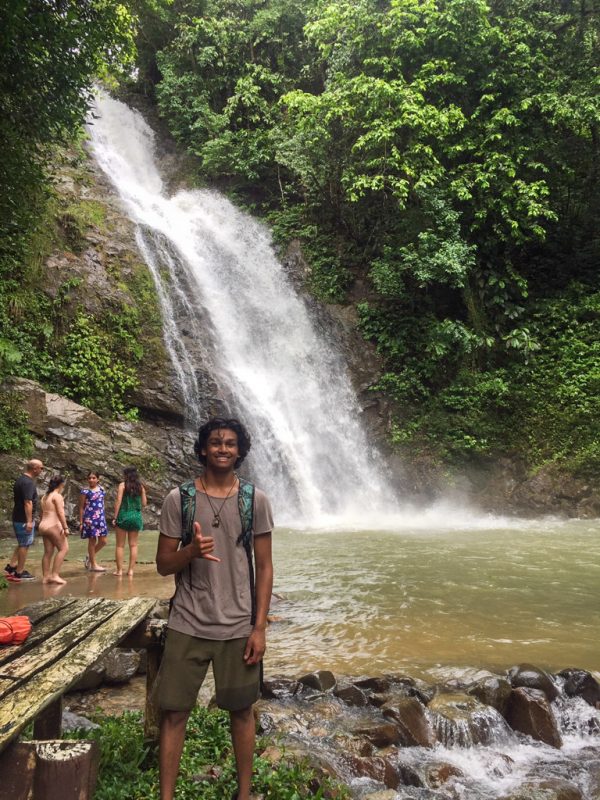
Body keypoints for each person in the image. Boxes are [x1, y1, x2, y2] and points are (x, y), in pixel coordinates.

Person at [156, 417, 274, 800]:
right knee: (174, 713)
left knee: (241, 711)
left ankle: (243, 794)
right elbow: (162, 564)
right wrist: (190, 551)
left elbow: (265, 566)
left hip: (239, 625)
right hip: (187, 622)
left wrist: (259, 628)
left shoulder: (254, 500)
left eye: (230, 443)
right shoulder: (180, 499)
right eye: (216, 442)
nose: (223, 448)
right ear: (203, 448)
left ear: (240, 451)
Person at [5, 458, 44, 582]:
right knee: (24, 545)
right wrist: (29, 521)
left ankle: (12, 566)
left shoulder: (21, 480)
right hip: (23, 519)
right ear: (35, 469)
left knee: (22, 543)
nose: (42, 470)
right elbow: (28, 502)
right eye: (41, 468)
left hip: (18, 517)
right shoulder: (28, 483)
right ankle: (19, 572)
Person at [112, 465, 147, 576]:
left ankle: (119, 571)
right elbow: (144, 503)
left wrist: (115, 517)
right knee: (133, 545)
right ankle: (131, 571)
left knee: (120, 545)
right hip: (136, 517)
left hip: (124, 516)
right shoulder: (140, 487)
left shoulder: (122, 485)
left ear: (126, 475)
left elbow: (118, 501)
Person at [38, 474, 70, 585]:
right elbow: (60, 513)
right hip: (52, 525)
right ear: (61, 484)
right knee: (64, 549)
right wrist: (65, 527)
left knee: (48, 552)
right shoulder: (57, 496)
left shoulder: (45, 496)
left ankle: (46, 577)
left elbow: (41, 513)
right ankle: (55, 575)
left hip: (43, 525)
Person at [79, 471, 108, 572]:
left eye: (94, 478)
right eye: (90, 478)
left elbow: (102, 503)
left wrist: (103, 516)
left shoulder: (102, 490)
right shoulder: (85, 491)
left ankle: (89, 556)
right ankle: (93, 564)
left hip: (100, 518)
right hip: (89, 519)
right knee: (92, 541)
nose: (91, 480)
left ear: (98, 479)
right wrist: (81, 522)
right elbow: (81, 508)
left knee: (103, 541)